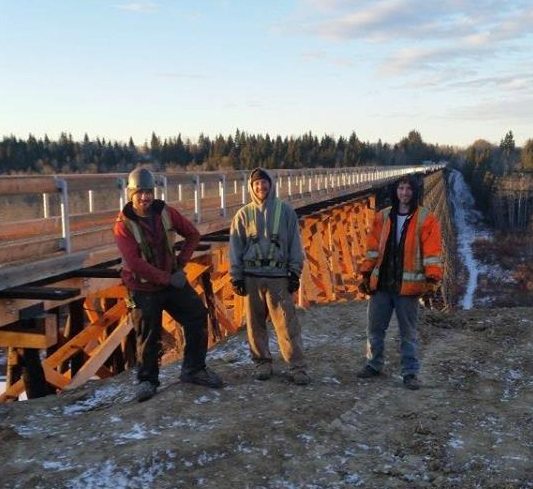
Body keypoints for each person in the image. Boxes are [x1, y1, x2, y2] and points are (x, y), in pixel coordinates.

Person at [114, 168, 223, 402]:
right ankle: (147, 380)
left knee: (196, 315)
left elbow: (193, 234)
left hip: (170, 281)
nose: (145, 197)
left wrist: (180, 263)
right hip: (143, 288)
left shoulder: (166, 213)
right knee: (148, 334)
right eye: (140, 193)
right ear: (131, 194)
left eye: (149, 192)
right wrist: (168, 278)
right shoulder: (123, 225)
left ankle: (194, 369)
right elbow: (134, 263)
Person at [357, 174, 443, 390]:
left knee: (408, 333)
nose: (404, 193)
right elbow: (372, 249)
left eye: (409, 189)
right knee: (374, 329)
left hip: (408, 287)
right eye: (401, 188)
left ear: (415, 192)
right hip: (382, 284)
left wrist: (432, 279)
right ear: (396, 191)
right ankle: (373, 364)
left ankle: (410, 373)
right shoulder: (382, 216)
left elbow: (432, 252)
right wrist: (366, 274)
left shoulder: (426, 219)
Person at [229, 168, 310, 385]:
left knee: (287, 323)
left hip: (278, 276)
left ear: (271, 185)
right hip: (252, 276)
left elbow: (295, 243)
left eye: (264, 182)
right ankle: (262, 362)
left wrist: (294, 272)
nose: (261, 187)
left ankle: (297, 366)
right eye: (256, 183)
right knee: (255, 324)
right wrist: (236, 276)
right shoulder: (243, 214)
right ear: (251, 187)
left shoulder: (286, 212)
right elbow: (235, 247)